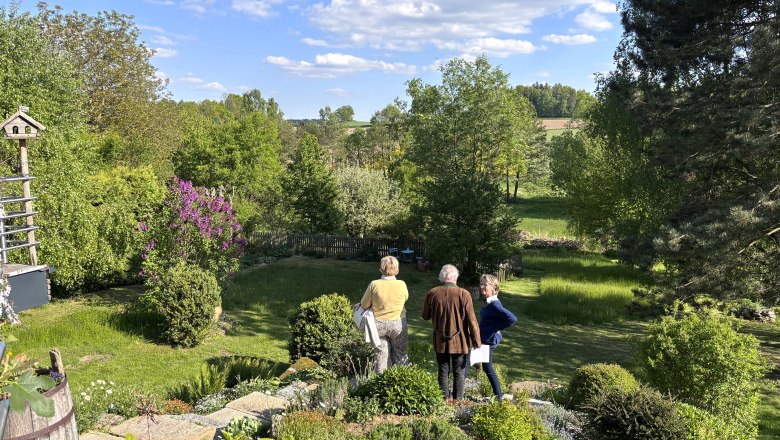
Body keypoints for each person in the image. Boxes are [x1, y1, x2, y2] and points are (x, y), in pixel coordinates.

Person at [422, 264, 481, 400]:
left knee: (443, 371)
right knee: (459, 372)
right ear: (456, 277)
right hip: (460, 342)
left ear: (441, 277)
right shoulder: (463, 294)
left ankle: (444, 401)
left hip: (440, 340)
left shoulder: (432, 293)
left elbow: (425, 316)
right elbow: (472, 321)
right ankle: (457, 401)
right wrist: (477, 342)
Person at [360, 255, 409, 373]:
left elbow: (364, 304)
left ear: (381, 268)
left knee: (381, 356)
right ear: (397, 269)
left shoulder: (374, 284)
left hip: (378, 324)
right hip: (397, 324)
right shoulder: (402, 284)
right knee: (401, 354)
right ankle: (402, 381)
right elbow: (405, 299)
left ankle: (381, 383)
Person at [475, 273, 517, 400]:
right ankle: (498, 397)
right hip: (483, 339)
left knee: (466, 363)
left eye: (485, 285)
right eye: (481, 284)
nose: (482, 287)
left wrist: (496, 328)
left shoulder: (495, 305)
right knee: (485, 366)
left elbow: (512, 318)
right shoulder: (488, 302)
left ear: (494, 288)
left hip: (487, 340)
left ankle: (498, 397)